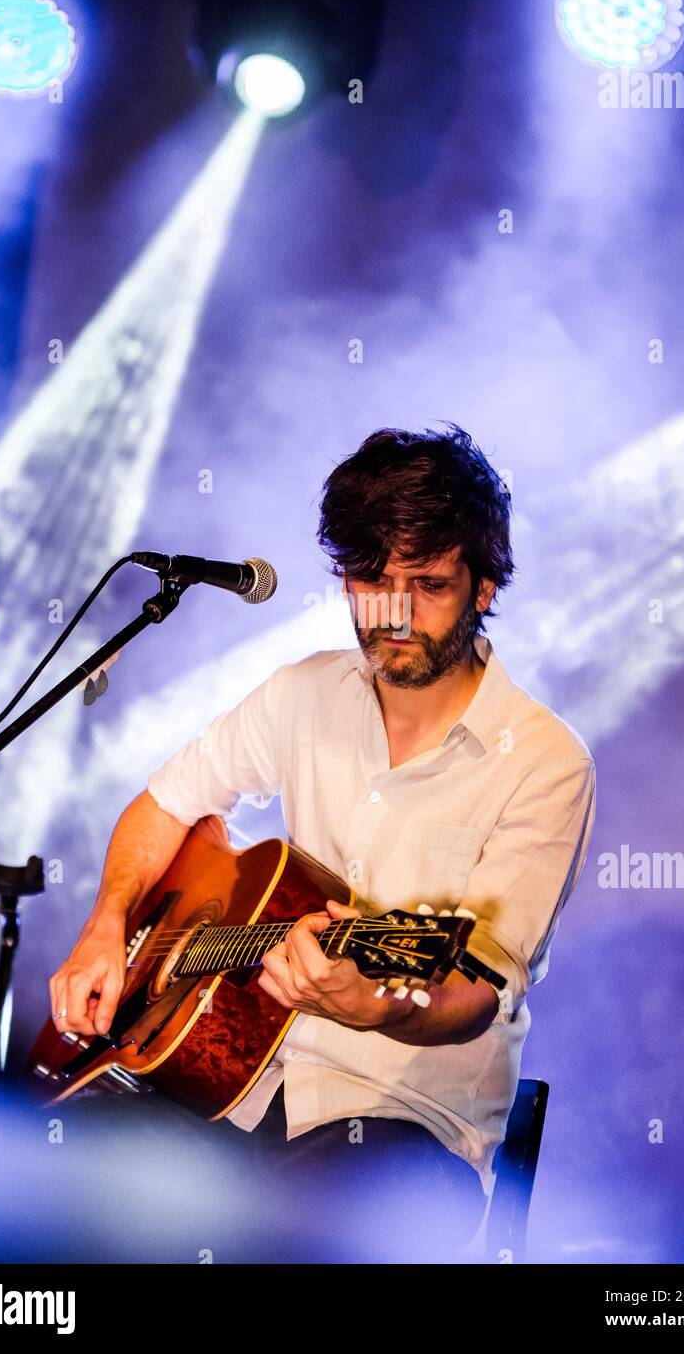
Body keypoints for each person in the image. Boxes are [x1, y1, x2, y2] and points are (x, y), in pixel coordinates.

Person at [48, 424, 596, 1263]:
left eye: (430, 585)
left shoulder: (546, 762)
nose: (396, 614)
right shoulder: (302, 694)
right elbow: (162, 806)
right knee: (36, 1170)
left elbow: (476, 989)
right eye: (373, 582)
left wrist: (372, 1003)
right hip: (230, 1097)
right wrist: (105, 927)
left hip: (405, 1135)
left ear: (485, 585)